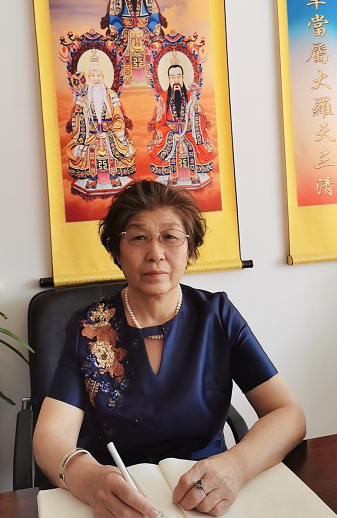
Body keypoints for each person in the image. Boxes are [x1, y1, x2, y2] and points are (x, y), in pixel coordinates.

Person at [33, 180, 305, 518]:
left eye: (170, 237)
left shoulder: (217, 317)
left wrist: (236, 465)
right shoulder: (89, 327)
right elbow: (50, 435)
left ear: (189, 249)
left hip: (207, 497)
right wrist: (89, 481)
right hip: (117, 499)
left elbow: (288, 413)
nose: (155, 253)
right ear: (117, 251)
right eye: (138, 237)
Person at [66, 53, 136, 190]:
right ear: (88, 77)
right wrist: (81, 110)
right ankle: (92, 178)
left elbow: (119, 118)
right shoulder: (83, 97)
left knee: (125, 148)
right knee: (78, 150)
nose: (96, 78)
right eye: (93, 75)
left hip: (111, 135)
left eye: (99, 75)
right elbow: (76, 123)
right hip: (88, 137)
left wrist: (109, 134)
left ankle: (114, 176)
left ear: (104, 76)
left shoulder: (111, 95)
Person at [147, 62, 214, 186]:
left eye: (178, 76)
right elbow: (159, 123)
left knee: (196, 148)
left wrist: (193, 111)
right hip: (170, 135)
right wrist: (171, 135)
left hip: (190, 134)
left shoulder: (190, 96)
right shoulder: (163, 98)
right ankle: (172, 176)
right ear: (168, 79)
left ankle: (193, 174)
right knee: (162, 149)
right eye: (173, 77)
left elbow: (200, 118)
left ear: (183, 77)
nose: (176, 80)